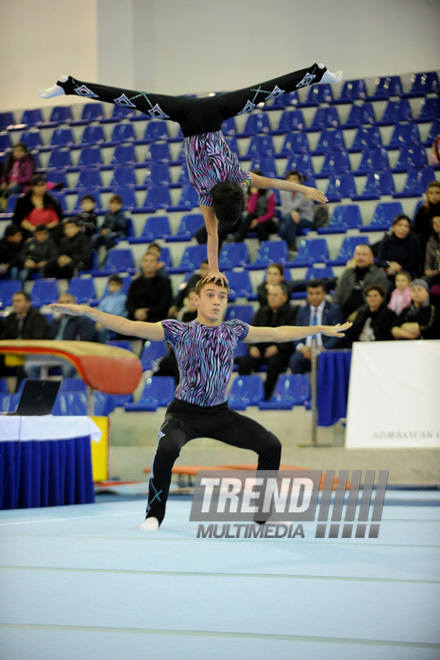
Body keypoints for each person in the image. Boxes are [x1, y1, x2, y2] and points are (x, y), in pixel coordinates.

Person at [49, 274, 351, 530]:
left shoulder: (234, 330)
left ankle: (263, 513)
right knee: (167, 449)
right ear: (196, 300)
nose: (217, 300)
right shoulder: (179, 330)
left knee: (271, 445)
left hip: (220, 415)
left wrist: (319, 329)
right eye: (210, 294)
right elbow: (128, 326)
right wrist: (87, 312)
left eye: (223, 296)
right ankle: (154, 515)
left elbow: (278, 332)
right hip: (184, 414)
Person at [39, 64, 342, 275]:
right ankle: (70, 86)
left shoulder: (238, 176)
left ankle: (317, 72)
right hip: (185, 117)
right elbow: (212, 235)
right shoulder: (204, 194)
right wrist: (214, 270)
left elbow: (275, 183)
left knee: (267, 91)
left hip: (215, 111)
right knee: (131, 100)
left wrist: (304, 188)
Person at [238, 282, 297, 400]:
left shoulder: (293, 312)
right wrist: (252, 346)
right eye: (270, 295)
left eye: (275, 295)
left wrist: (278, 347)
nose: (272, 297)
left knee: (274, 363)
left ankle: (265, 395)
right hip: (262, 349)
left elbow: (293, 334)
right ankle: (248, 394)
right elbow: (251, 331)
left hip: (282, 350)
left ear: (285, 297)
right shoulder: (262, 311)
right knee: (244, 362)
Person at [24, 293, 97, 379]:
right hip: (52, 354)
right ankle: (43, 389)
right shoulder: (54, 322)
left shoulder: (83, 321)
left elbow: (85, 341)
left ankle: (65, 391)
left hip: (69, 356)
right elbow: (47, 340)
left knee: (68, 368)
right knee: (29, 366)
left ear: (75, 304)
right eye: (61, 302)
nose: (64, 305)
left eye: (67, 302)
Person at [289, 279, 343, 374]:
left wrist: (321, 349)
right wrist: (302, 348)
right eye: (311, 293)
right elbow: (296, 331)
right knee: (294, 360)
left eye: (317, 293)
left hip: (325, 351)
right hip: (306, 351)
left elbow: (336, 335)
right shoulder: (302, 309)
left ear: (324, 294)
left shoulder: (334, 310)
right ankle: (301, 388)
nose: (314, 297)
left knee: (325, 361)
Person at [0, 290, 47, 388]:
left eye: (18, 301)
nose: (15, 304)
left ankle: (18, 394)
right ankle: (4, 394)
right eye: (14, 301)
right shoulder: (10, 317)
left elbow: (38, 338)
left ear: (27, 303)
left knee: (23, 365)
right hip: (13, 352)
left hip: (29, 352)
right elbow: (4, 338)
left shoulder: (37, 317)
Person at [332, 244, 389, 320]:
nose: (360, 257)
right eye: (358, 254)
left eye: (364, 254)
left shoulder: (379, 275)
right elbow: (337, 295)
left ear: (371, 257)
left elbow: (378, 301)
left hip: (367, 314)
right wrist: (334, 310)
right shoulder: (347, 273)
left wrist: (358, 313)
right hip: (343, 312)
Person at [125, 250, 173, 323]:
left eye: (152, 261)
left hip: (157, 318)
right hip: (136, 318)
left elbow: (165, 304)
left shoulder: (165, 282)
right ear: (142, 263)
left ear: (157, 264)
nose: (148, 263)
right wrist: (136, 312)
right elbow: (129, 303)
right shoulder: (135, 282)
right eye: (146, 261)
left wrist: (147, 312)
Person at [12, 174, 63, 239]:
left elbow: (58, 219)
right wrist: (34, 229)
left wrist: (44, 229)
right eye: (38, 186)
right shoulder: (23, 201)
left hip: (50, 232)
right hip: (28, 232)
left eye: (43, 185)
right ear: (32, 187)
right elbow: (19, 220)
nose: (41, 188)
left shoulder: (52, 201)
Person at [376, 213, 422, 282]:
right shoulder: (386, 241)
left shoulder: (413, 241)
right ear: (394, 227)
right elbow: (380, 260)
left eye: (406, 226)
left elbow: (414, 262)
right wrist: (390, 264)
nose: (403, 228)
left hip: (408, 273)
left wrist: (400, 268)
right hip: (390, 272)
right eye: (399, 225)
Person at [235, 170, 277, 242]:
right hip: (252, 220)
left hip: (267, 220)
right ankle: (239, 238)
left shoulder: (269, 193)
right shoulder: (247, 193)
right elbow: (251, 210)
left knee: (261, 225)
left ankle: (263, 247)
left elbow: (271, 213)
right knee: (247, 217)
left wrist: (258, 220)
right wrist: (254, 194)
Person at [278, 170, 315, 253]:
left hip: (306, 218)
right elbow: (284, 211)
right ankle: (290, 247)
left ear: (299, 181)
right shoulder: (285, 192)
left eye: (294, 179)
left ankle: (289, 246)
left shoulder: (304, 191)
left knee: (285, 223)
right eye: (289, 179)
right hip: (291, 219)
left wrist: (291, 212)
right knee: (286, 221)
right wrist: (292, 212)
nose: (291, 181)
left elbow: (292, 206)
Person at [96, 274, 128, 343]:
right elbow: (99, 311)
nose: (113, 286)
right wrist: (99, 321)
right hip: (104, 321)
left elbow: (117, 314)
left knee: (103, 331)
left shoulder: (123, 298)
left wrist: (104, 322)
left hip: (117, 322)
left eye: (116, 284)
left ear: (121, 286)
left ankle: (103, 350)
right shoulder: (106, 299)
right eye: (111, 284)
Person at [412, 180, 440, 257]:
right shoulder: (422, 210)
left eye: (437, 193)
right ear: (427, 195)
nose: (434, 195)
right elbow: (416, 228)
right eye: (431, 193)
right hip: (424, 244)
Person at [424, 215, 440, 292]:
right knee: (422, 282)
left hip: (437, 273)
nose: (437, 225)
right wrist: (428, 270)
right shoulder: (430, 243)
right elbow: (428, 262)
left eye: (439, 221)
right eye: (434, 223)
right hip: (435, 275)